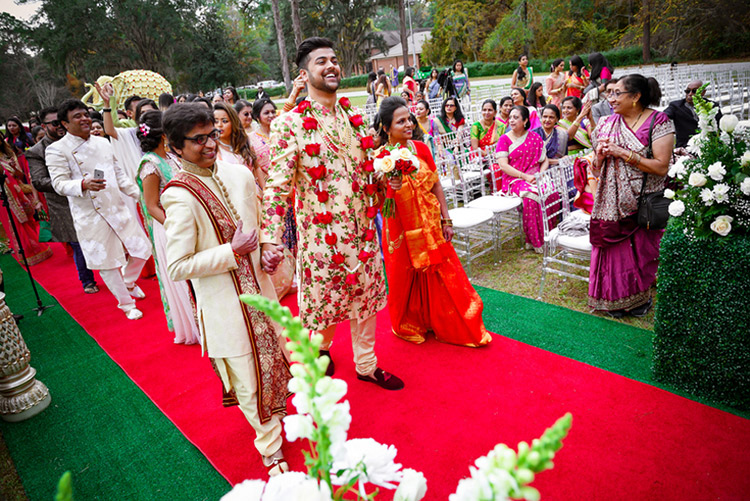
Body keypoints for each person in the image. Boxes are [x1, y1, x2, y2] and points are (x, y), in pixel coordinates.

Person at [260, 36, 404, 390]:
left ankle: (366, 365)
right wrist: (269, 238)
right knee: (325, 306)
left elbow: (368, 170)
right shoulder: (289, 124)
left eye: (334, 60)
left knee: (365, 302)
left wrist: (389, 180)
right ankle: (321, 349)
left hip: (364, 231)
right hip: (324, 240)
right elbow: (277, 185)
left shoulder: (355, 117)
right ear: (304, 73)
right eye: (321, 61)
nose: (331, 66)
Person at [160, 103, 292, 475]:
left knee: (276, 360)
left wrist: (266, 246)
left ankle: (278, 421)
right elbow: (177, 265)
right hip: (224, 304)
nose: (208, 144)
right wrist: (231, 252)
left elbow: (258, 223)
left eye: (211, 135)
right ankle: (270, 446)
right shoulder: (179, 195)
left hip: (261, 293)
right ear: (175, 147)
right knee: (247, 379)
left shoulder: (240, 176)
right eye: (197, 139)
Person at [376, 97, 492, 347]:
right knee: (404, 274)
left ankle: (444, 319)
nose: (409, 124)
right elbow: (375, 199)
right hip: (398, 225)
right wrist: (388, 184)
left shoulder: (421, 148)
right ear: (386, 128)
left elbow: (436, 184)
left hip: (428, 221)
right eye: (401, 121)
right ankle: (410, 321)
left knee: (442, 269)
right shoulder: (379, 157)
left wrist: (446, 219)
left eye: (409, 119)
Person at [46, 99, 151, 319]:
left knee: (142, 248)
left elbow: (118, 172)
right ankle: (126, 304)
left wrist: (139, 195)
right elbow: (58, 183)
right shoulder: (57, 150)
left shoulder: (102, 143)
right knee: (108, 261)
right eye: (77, 116)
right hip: (90, 214)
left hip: (116, 205)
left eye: (85, 114)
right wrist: (82, 185)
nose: (84, 118)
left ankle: (129, 282)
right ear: (64, 124)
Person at [589, 74, 675, 318]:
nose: (611, 98)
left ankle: (639, 300)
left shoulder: (659, 122)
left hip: (644, 200)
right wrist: (602, 157)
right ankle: (612, 300)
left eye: (617, 93)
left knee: (640, 252)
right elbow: (594, 167)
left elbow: (661, 166)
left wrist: (622, 152)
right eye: (610, 93)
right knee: (613, 250)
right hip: (610, 203)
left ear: (636, 97)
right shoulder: (606, 123)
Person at [136, 110, 201, 345]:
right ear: (164, 134)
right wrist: (176, 226)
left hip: (186, 220)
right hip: (170, 227)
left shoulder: (171, 157)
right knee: (186, 278)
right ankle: (195, 325)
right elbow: (151, 205)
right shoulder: (150, 165)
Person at [27, 106, 97, 291]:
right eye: (54, 123)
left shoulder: (78, 140)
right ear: (44, 125)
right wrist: (71, 184)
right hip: (63, 203)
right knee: (78, 243)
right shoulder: (36, 151)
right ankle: (87, 281)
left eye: (61, 121)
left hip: (91, 196)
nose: (60, 126)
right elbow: (39, 181)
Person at [495, 106, 549, 252]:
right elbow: (503, 166)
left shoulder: (534, 137)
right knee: (531, 197)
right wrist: (525, 176)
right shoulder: (504, 139)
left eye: (516, 117)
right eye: (510, 117)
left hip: (535, 176)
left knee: (551, 193)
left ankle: (548, 235)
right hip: (514, 180)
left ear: (525, 120)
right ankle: (534, 241)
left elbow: (545, 160)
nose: (511, 120)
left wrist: (541, 174)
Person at [0, 135, 52, 266]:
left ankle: (36, 248)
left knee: (28, 220)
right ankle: (26, 253)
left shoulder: (8, 154)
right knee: (14, 223)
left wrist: (14, 168)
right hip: (4, 196)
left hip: (18, 191)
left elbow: (20, 175)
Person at [663, 80, 722, 149]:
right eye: (688, 91)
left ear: (703, 92)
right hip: (686, 147)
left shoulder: (712, 106)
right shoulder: (676, 106)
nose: (690, 94)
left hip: (710, 146)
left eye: (694, 91)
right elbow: (664, 115)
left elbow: (720, 127)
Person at [213, 102, 257, 178]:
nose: (219, 125)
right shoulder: (213, 148)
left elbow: (257, 168)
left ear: (233, 122)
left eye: (224, 121)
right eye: (216, 121)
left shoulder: (245, 141)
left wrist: (263, 189)